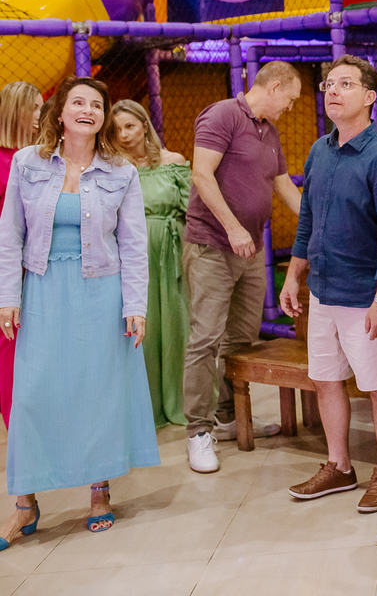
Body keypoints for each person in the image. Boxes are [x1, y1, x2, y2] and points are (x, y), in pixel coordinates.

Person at [0, 76, 157, 546]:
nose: (88, 110)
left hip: (101, 292)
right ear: (61, 112)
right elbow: (10, 236)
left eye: (96, 105)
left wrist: (135, 305)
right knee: (31, 396)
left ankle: (99, 492)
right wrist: (8, 296)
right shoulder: (27, 163)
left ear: (103, 116)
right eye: (78, 102)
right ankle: (25, 504)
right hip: (43, 290)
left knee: (97, 393)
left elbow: (134, 245)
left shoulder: (121, 172)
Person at [280, 55, 377, 513]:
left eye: (346, 84)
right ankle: (339, 466)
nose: (333, 91)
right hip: (322, 292)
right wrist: (294, 275)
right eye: (329, 84)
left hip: (365, 296)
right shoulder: (320, 150)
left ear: (370, 97)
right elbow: (307, 220)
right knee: (326, 379)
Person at [182, 61, 303, 473]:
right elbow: (201, 174)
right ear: (274, 86)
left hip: (250, 250)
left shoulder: (270, 131)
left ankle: (228, 416)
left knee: (241, 337)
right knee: (205, 339)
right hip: (213, 245)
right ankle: (198, 431)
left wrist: (319, 223)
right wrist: (232, 228)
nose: (291, 107)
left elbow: (283, 185)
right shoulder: (222, 115)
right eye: (290, 99)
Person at [113, 100, 191, 428]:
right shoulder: (113, 168)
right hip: (131, 257)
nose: (124, 134)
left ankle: (185, 402)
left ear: (145, 125)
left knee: (179, 324)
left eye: (130, 126)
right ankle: (147, 408)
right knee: (143, 328)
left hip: (172, 251)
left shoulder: (174, 162)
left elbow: (192, 209)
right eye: (117, 129)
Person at [0, 81, 43, 428]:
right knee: (9, 343)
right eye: (36, 108)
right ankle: (19, 427)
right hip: (9, 264)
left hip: (34, 262)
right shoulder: (7, 160)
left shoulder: (36, 156)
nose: (41, 115)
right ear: (18, 110)